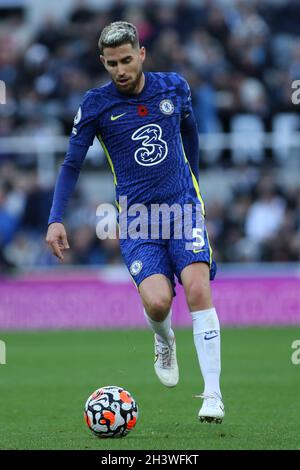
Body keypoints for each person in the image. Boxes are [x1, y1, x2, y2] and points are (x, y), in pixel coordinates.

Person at [46, 21, 224, 423]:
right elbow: (72, 163)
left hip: (182, 209)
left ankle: (212, 394)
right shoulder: (95, 105)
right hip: (138, 220)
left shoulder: (174, 87)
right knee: (158, 302)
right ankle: (164, 339)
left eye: (127, 60)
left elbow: (191, 131)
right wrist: (56, 219)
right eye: (112, 64)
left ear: (141, 54)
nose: (121, 70)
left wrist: (192, 181)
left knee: (198, 289)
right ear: (103, 63)